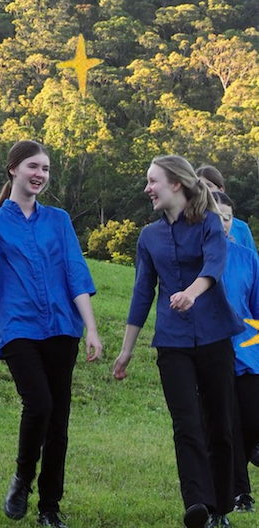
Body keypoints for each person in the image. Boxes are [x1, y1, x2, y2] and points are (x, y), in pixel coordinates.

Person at [0, 139, 102, 528]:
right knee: (39, 404)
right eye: (33, 167)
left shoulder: (59, 220)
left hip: (62, 329)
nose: (40, 175)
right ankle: (23, 477)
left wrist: (90, 328)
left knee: (59, 422)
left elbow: (76, 274)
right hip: (18, 329)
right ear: (14, 169)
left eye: (46, 169)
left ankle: (49, 508)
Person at [113, 155, 243, 528]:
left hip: (215, 335)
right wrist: (126, 351)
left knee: (219, 424)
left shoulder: (210, 223)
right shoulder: (148, 237)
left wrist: (191, 292)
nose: (147, 189)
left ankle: (221, 509)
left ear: (175, 184)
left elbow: (214, 264)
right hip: (172, 342)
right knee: (186, 423)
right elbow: (142, 294)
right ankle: (197, 505)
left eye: (152, 181)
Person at [213, 190, 259, 514]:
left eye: (227, 218)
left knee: (252, 421)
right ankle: (239, 493)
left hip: (248, 351)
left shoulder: (248, 258)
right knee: (228, 425)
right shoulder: (193, 257)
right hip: (212, 352)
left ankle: (234, 485)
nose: (222, 223)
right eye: (215, 217)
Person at [196, 165, 258, 259]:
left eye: (208, 186)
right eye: (200, 187)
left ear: (221, 190)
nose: (204, 191)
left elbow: (252, 261)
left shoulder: (241, 228)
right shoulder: (189, 224)